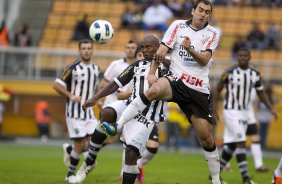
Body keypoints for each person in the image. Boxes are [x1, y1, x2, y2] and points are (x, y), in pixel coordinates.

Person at [102, 1, 222, 183]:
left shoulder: (213, 33)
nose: (203, 14)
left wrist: (189, 48)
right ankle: (118, 126)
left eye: (207, 12)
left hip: (197, 88)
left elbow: (205, 60)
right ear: (193, 11)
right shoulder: (177, 26)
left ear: (209, 15)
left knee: (206, 137)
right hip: (175, 80)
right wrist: (151, 73)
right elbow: (162, 49)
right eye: (200, 10)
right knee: (153, 90)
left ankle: (216, 179)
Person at [73, 35, 169, 184]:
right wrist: (95, 98)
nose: (144, 50)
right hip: (129, 104)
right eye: (142, 47)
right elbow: (115, 84)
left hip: (147, 115)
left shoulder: (168, 66)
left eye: (148, 47)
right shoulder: (137, 65)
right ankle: (90, 159)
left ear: (158, 47)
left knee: (131, 154)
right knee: (107, 112)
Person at [213, 47, 278, 184]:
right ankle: (245, 178)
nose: (242, 58)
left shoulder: (254, 74)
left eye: (245, 56)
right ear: (237, 57)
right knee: (241, 141)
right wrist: (213, 110)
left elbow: (261, 92)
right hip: (231, 111)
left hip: (245, 112)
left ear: (249, 57)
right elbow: (216, 89)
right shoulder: (229, 72)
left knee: (231, 145)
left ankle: (215, 175)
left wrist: (271, 109)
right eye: (240, 55)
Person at [52, 39, 100, 182]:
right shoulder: (72, 68)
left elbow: (95, 87)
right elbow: (56, 85)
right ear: (79, 51)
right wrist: (70, 95)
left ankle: (69, 150)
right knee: (80, 144)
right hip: (74, 113)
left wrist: (100, 100)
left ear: (92, 50)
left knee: (100, 139)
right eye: (83, 48)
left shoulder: (96, 69)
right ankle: (70, 174)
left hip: (89, 113)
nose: (86, 50)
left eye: (88, 48)